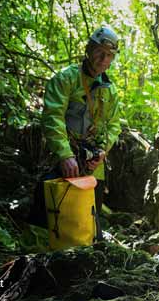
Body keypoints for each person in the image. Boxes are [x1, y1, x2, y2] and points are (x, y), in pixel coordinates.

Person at [40, 26, 122, 239]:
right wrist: (65, 155)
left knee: (87, 220)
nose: (104, 59)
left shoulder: (110, 90)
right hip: (62, 160)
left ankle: (83, 259)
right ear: (89, 49)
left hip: (93, 166)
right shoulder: (66, 79)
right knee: (48, 214)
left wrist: (103, 151)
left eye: (109, 55)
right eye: (100, 52)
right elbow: (52, 117)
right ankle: (37, 259)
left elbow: (114, 125)